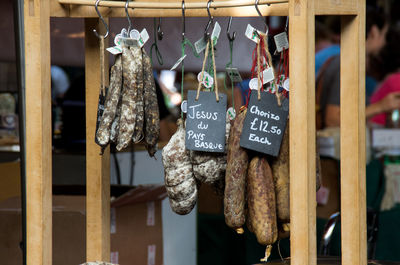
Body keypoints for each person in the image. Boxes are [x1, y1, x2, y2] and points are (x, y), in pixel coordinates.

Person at [317, 7, 400, 129]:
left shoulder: (349, 61)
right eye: (383, 35)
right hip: (334, 145)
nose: (383, 42)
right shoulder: (346, 63)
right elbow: (333, 120)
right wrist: (381, 106)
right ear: (374, 32)